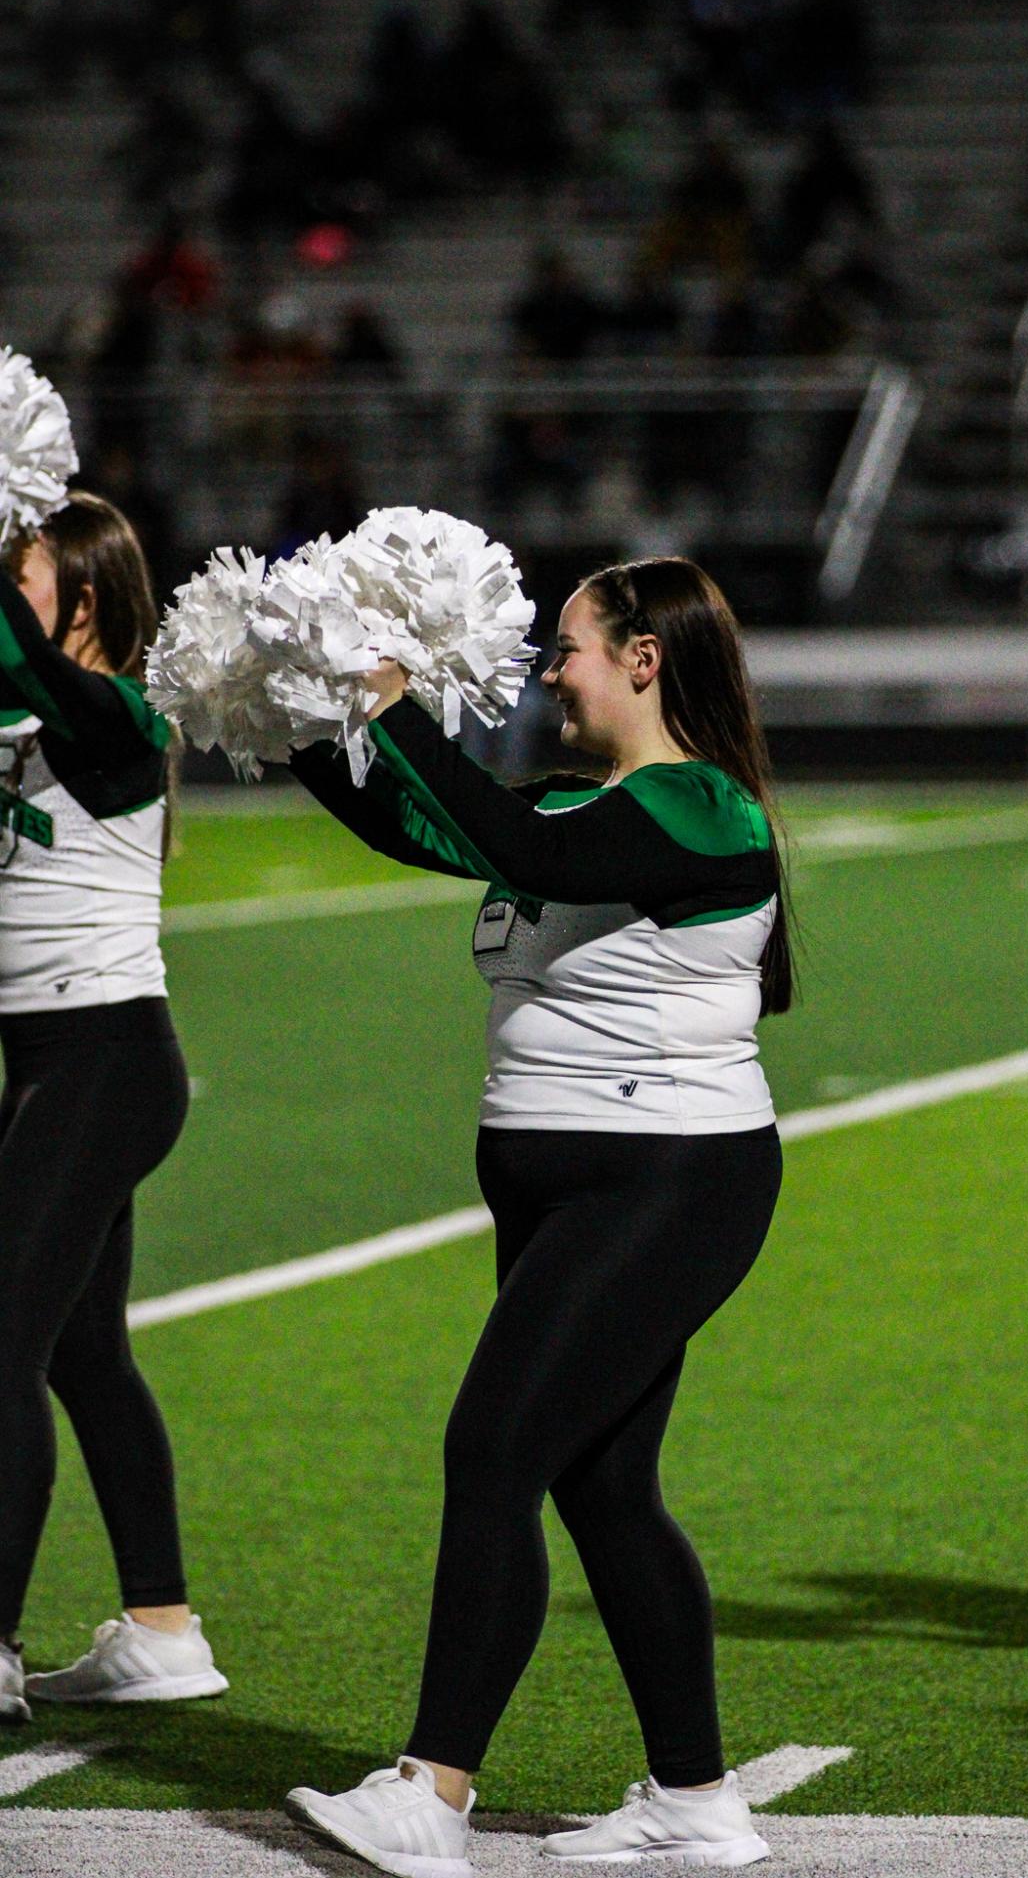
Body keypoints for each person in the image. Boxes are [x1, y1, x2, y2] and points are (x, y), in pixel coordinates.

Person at [282, 558, 790, 1875]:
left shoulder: (699, 806)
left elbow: (528, 854)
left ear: (642, 659)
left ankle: (431, 1792)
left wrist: (398, 706)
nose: (546, 669)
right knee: (603, 1483)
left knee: (494, 1448)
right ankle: (693, 1797)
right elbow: (421, 827)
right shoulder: (586, 797)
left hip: (665, 1180)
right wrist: (290, 708)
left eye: (566, 646)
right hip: (569, 1180)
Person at [0, 492, 226, 1725]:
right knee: (84, 1351)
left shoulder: (122, 717)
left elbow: (60, 691)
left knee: (0, 1347)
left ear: (84, 600)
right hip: (51, 1067)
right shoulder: (29, 712)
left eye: (20, 574)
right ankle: (160, 1628)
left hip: (104, 1065)